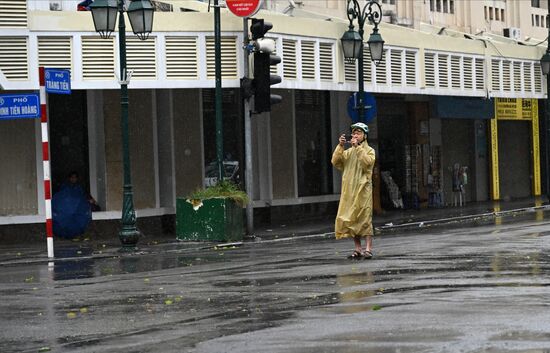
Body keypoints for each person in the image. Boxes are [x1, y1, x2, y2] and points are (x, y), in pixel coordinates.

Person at [331, 122, 376, 259]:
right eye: (354, 133)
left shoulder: (369, 151)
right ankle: (358, 248)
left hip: (363, 190)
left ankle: (368, 248)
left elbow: (367, 163)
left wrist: (357, 148)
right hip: (349, 190)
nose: (355, 135)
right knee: (352, 219)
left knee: (365, 218)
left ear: (364, 136)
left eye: (359, 133)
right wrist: (340, 146)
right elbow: (336, 161)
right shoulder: (348, 152)